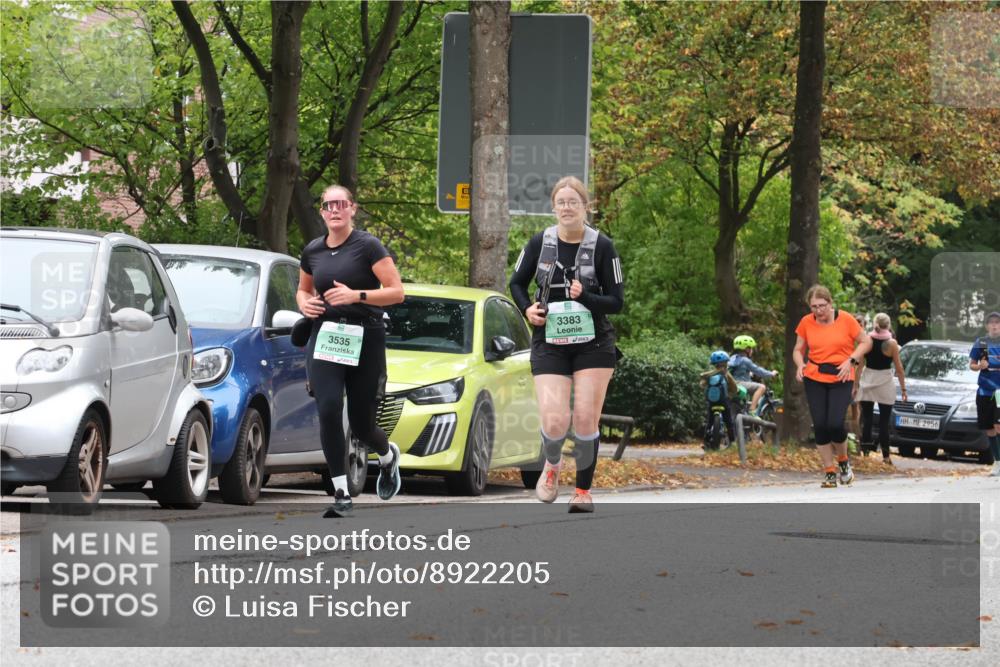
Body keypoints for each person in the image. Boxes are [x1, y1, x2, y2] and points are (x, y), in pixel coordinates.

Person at [509, 176, 625, 513]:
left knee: (586, 418)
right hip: (550, 341)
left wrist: (585, 296)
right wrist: (527, 309)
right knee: (556, 420)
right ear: (553, 207)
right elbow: (516, 283)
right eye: (561, 202)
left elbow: (616, 302)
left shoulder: (603, 246)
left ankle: (583, 491)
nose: (567, 208)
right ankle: (553, 463)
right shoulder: (538, 243)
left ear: (586, 207)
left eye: (574, 202)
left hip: (594, 343)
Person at [296, 184, 405, 517]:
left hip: (365, 337)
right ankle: (341, 493)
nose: (334, 210)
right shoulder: (312, 251)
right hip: (327, 334)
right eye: (328, 205)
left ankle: (387, 456)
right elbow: (302, 290)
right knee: (328, 408)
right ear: (322, 211)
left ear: (352, 209)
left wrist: (357, 296)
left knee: (360, 425)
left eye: (340, 204)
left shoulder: (368, 246)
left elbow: (397, 292)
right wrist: (306, 305)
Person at [792, 285, 872, 488]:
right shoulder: (806, 322)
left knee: (835, 424)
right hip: (815, 376)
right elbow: (798, 349)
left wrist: (852, 360)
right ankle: (829, 471)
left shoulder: (846, 319)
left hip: (841, 376)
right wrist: (800, 364)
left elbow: (866, 342)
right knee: (820, 426)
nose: (818, 311)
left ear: (830, 303)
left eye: (822, 306)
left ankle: (843, 461)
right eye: (814, 307)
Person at [855, 313, 907, 464]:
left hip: (868, 380)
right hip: (885, 381)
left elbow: (859, 365)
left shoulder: (867, 340)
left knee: (867, 419)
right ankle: (886, 457)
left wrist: (855, 384)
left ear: (875, 324)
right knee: (884, 421)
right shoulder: (892, 344)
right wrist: (903, 389)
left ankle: (865, 455)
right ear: (889, 326)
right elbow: (899, 368)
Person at [969, 311, 1000, 476]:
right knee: (989, 429)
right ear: (987, 326)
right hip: (984, 390)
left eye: (997, 322)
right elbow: (971, 365)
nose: (994, 325)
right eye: (991, 322)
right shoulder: (981, 342)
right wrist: (979, 366)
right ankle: (997, 461)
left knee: (998, 426)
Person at [728, 335, 777, 414]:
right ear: (746, 349)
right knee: (761, 387)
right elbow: (759, 371)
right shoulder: (745, 360)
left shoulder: (733, 358)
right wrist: (771, 374)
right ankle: (752, 410)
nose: (752, 350)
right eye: (751, 348)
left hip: (730, 384)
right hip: (739, 384)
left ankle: (746, 410)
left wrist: (749, 373)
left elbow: (737, 370)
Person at [702, 350, 738, 445]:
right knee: (728, 421)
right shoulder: (726, 374)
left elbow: (702, 385)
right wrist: (731, 394)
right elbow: (734, 388)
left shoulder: (710, 375)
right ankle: (732, 441)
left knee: (709, 421)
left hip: (712, 401)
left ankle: (705, 441)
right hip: (723, 401)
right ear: (726, 363)